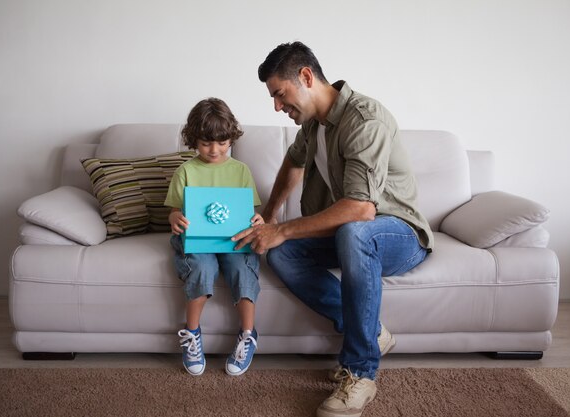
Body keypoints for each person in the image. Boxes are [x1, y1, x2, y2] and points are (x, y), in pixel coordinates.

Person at [233, 42, 434, 417]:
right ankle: (371, 330)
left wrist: (286, 228)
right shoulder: (313, 124)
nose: (277, 106)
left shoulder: (365, 120)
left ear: (306, 77)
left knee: (354, 231)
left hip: (398, 234)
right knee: (279, 250)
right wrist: (273, 218)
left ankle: (361, 373)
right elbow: (293, 163)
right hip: (349, 232)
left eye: (280, 94)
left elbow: (361, 210)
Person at [165, 97, 264, 377]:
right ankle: (192, 333)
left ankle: (248, 334)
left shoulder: (240, 170)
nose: (215, 150)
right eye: (207, 142)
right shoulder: (186, 171)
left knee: (243, 268)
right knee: (201, 266)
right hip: (197, 238)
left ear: (231, 139)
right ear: (193, 139)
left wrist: (258, 220)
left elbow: (250, 212)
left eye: (222, 143)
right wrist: (175, 218)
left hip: (233, 239)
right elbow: (173, 211)